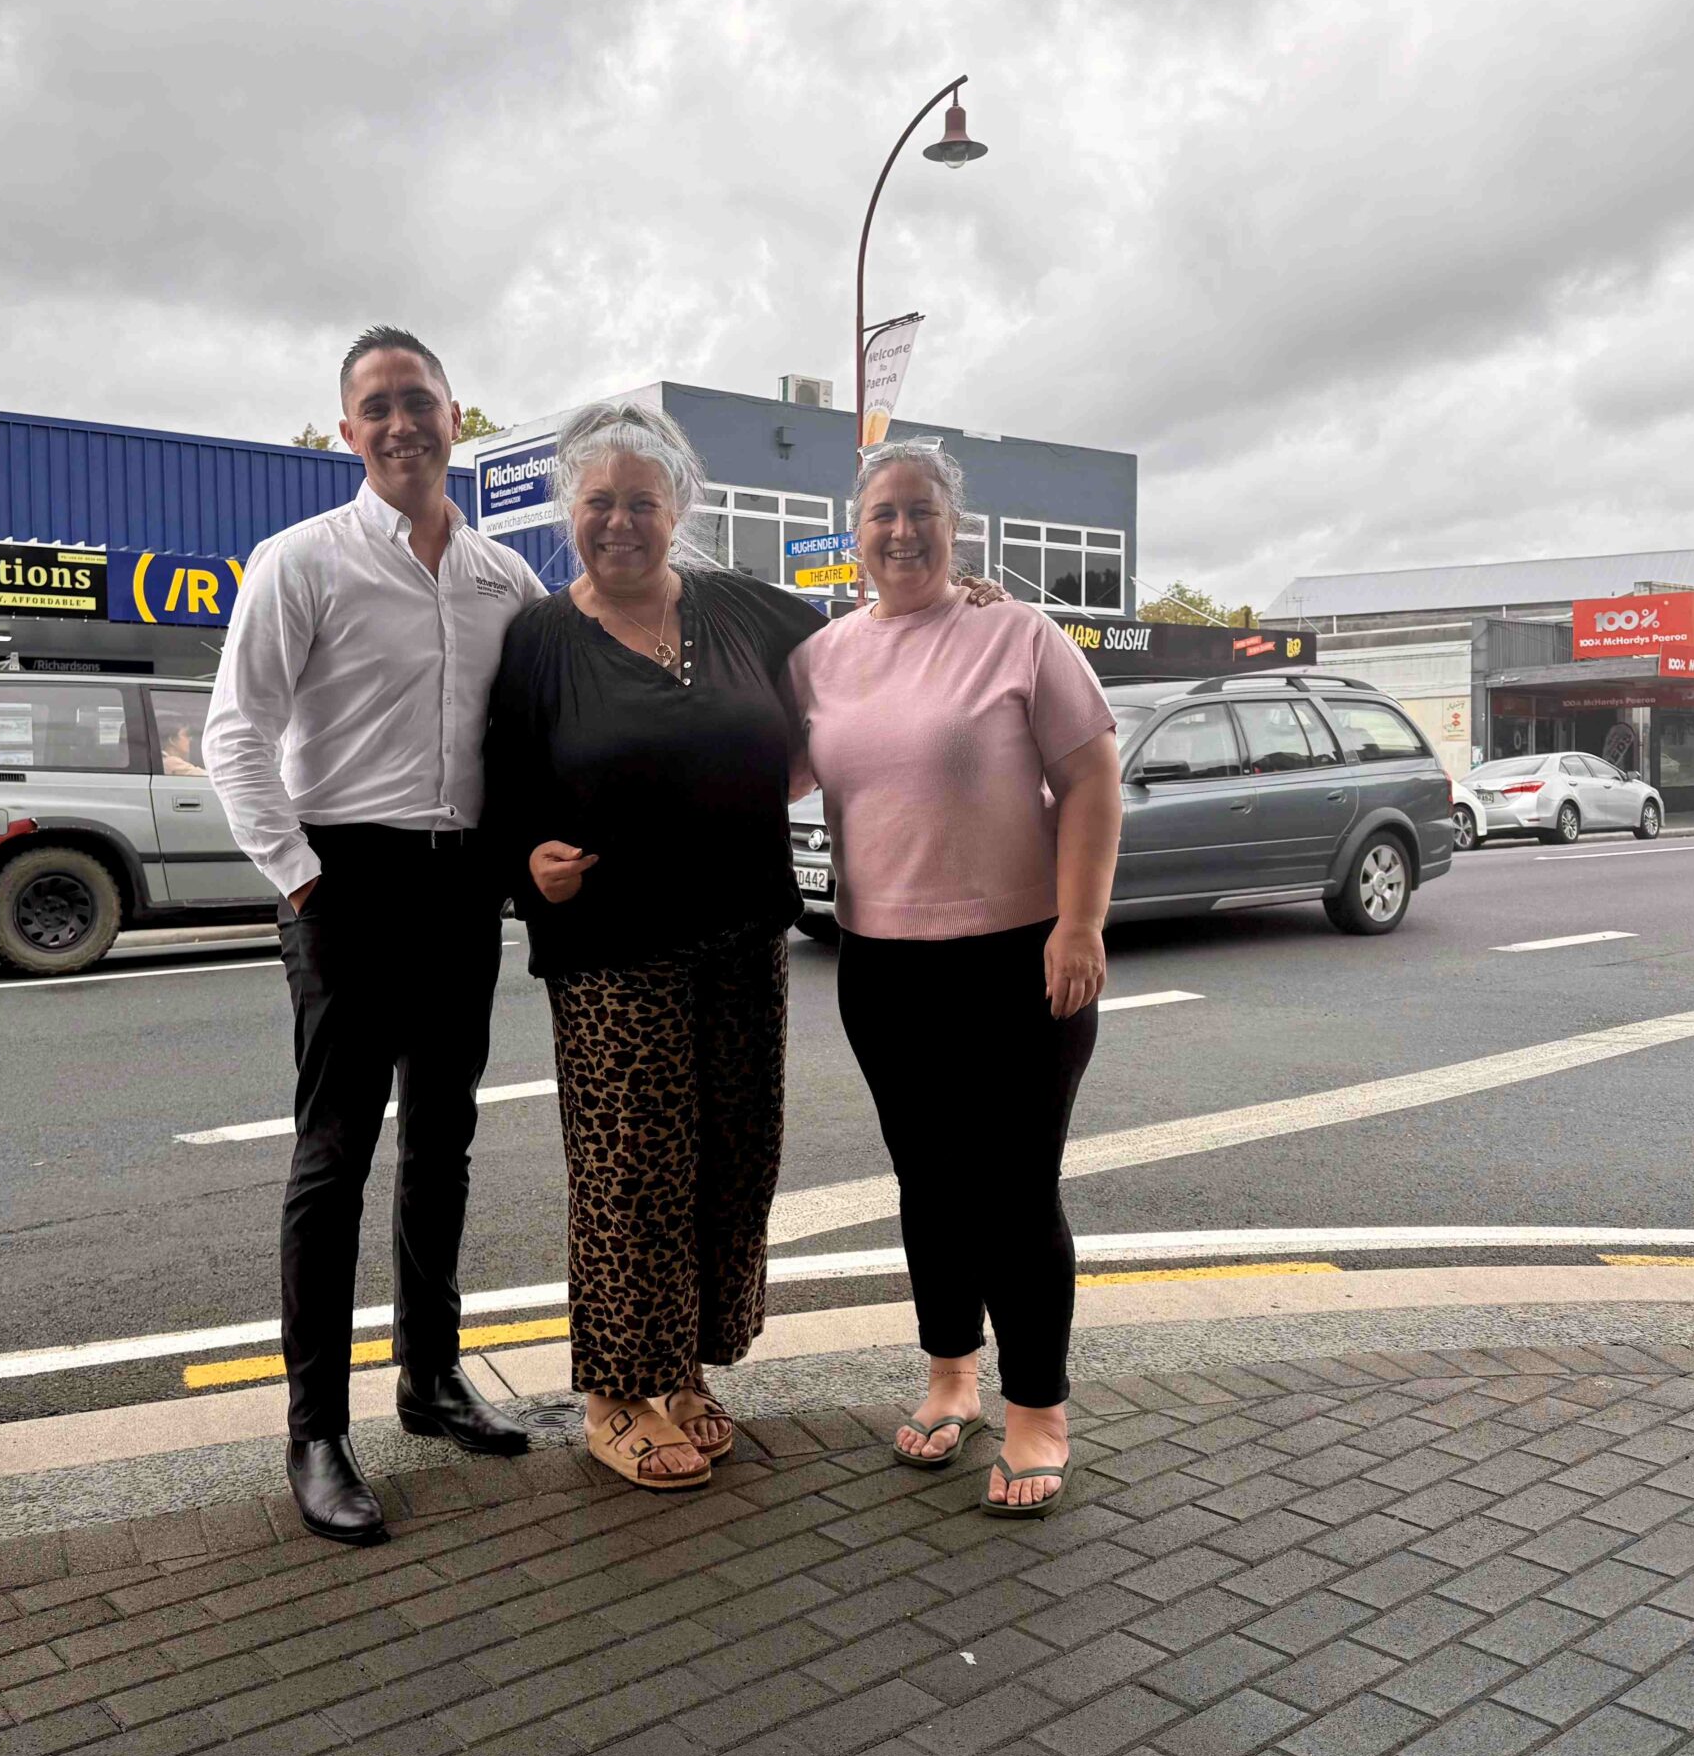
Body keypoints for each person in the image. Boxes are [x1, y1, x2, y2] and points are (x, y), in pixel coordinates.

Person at [203, 326, 541, 1546]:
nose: (401, 424)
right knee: (334, 1156)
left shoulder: (508, 580)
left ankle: (430, 1379)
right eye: (375, 408)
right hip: (343, 876)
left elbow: (567, 697)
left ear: (458, 416)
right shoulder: (301, 562)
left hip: (462, 886)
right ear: (347, 433)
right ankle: (314, 1431)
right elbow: (236, 733)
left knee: (443, 1140)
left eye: (419, 402)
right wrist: (301, 883)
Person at [484, 401, 830, 1490]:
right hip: (613, 944)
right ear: (568, 512)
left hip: (740, 932)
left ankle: (682, 1369)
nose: (621, 522)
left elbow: (872, 656)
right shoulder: (539, 638)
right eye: (599, 503)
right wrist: (521, 863)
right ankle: (614, 1391)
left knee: (732, 1157)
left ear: (678, 509)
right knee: (630, 1169)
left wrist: (965, 596)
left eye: (643, 501)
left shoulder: (744, 608)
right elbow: (496, 788)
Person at [789, 439, 1122, 1517]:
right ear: (856, 534)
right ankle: (949, 1373)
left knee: (1015, 1192)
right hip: (881, 968)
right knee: (928, 1185)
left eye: (920, 512)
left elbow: (1090, 780)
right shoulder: (821, 659)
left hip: (1019, 959)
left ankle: (1037, 1408)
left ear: (955, 526)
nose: (901, 532)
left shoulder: (1017, 634)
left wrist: (1079, 925)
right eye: (881, 514)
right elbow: (734, 759)